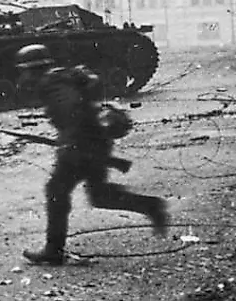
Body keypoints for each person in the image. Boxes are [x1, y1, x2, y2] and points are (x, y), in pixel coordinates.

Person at [14, 44, 168, 265]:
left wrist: (69, 143)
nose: (23, 76)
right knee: (99, 194)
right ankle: (151, 206)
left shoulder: (51, 84)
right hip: (94, 141)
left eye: (25, 70)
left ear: (33, 69)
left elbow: (73, 111)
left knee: (56, 191)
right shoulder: (60, 78)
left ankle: (53, 250)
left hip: (81, 146)